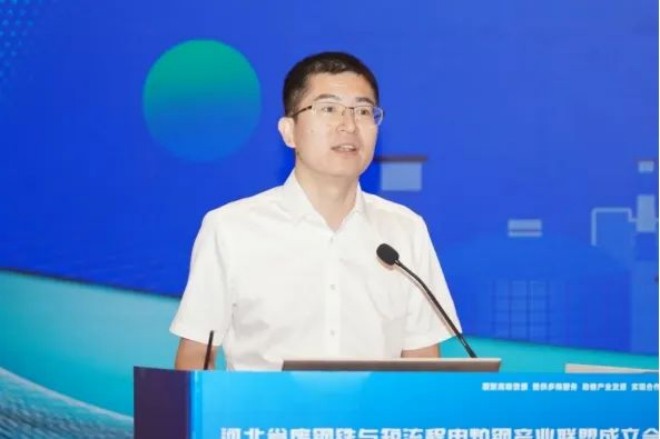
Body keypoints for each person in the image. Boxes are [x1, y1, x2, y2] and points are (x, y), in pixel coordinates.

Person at [170, 51, 461, 370]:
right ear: (289, 131)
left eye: (363, 111)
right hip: (264, 404)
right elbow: (196, 356)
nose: (349, 125)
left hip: (375, 405)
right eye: (329, 109)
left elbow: (423, 362)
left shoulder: (405, 230)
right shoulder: (230, 229)